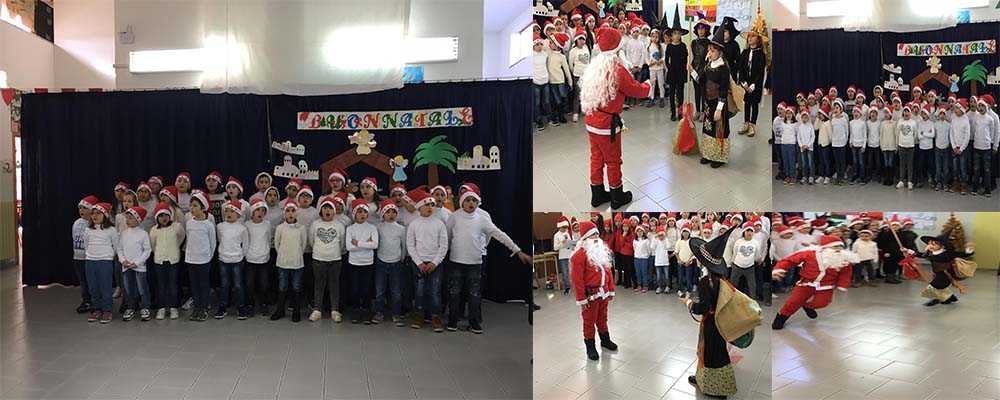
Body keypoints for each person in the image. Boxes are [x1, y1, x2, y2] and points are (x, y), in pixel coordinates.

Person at [580, 26, 651, 208]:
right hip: (606, 126)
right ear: (617, 48)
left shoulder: (595, 66)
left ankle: (597, 195)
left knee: (596, 158)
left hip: (591, 121)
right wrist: (648, 85)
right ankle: (617, 196)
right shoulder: (617, 69)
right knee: (613, 160)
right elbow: (635, 90)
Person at [445, 183, 530, 333]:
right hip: (456, 262)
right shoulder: (454, 217)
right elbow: (447, 237)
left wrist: (518, 251)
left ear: (478, 202)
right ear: (461, 201)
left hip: (475, 263)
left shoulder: (482, 219)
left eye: (474, 200)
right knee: (454, 293)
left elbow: (499, 235)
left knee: (474, 294)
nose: (471, 203)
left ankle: (474, 322)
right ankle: (453, 321)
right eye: (467, 200)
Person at [683, 226, 738, 398]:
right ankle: (715, 383)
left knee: (710, 352)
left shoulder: (705, 282)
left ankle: (715, 388)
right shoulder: (721, 279)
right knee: (718, 350)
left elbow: (704, 307)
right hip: (722, 322)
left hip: (712, 323)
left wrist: (690, 303)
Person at [771, 235, 858, 330]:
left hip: (826, 285)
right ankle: (781, 318)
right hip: (807, 282)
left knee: (823, 303)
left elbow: (846, 273)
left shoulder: (843, 259)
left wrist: (842, 285)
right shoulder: (810, 253)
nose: (838, 250)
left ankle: (807, 305)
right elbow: (789, 260)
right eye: (835, 247)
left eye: (840, 247)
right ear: (825, 247)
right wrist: (779, 269)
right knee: (794, 302)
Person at [570, 220, 618, 361]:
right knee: (589, 321)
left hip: (603, 293)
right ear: (585, 237)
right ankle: (590, 347)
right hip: (590, 295)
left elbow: (608, 271)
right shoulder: (579, 255)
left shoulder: (602, 251)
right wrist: (582, 299)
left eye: (597, 234)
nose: (596, 237)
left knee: (603, 318)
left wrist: (610, 290)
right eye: (592, 235)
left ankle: (605, 340)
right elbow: (577, 280)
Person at [690, 23, 733, 168]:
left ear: (719, 52)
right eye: (709, 50)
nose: (710, 53)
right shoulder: (709, 65)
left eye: (713, 51)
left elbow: (724, 89)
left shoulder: (723, 67)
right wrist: (692, 71)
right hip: (708, 102)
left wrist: (720, 109)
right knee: (708, 127)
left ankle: (718, 157)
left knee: (718, 128)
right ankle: (708, 154)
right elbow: (701, 80)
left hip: (718, 103)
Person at [405, 189, 448, 331]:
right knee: (419, 291)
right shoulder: (414, 224)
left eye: (432, 204)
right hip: (418, 264)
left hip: (435, 264)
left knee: (435, 291)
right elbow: (410, 245)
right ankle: (419, 315)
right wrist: (418, 262)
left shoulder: (439, 224)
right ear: (419, 207)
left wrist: (435, 262)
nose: (430, 207)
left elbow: (443, 245)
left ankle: (435, 317)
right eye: (426, 204)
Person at [272, 199, 307, 322]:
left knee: (296, 287)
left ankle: (296, 311)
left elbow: (303, 245)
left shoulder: (301, 228)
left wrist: (296, 254)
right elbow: (277, 244)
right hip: (283, 262)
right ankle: (280, 310)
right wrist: (283, 254)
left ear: (296, 213)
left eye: (293, 211)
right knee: (282, 286)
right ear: (284, 213)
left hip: (297, 263)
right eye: (288, 211)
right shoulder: (280, 228)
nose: (290, 213)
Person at [917, 230, 974, 306]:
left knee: (934, 286)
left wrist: (968, 252)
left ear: (942, 246)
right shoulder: (931, 253)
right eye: (930, 244)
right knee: (940, 287)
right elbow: (921, 255)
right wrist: (909, 251)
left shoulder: (947, 253)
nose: (930, 246)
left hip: (946, 275)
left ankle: (935, 299)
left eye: (933, 244)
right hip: (937, 274)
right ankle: (950, 298)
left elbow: (961, 254)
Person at [84, 202, 119, 324]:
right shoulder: (88, 230)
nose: (95, 216)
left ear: (105, 215)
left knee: (105, 287)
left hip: (105, 261)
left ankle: (107, 310)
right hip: (90, 261)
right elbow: (86, 244)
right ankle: (96, 309)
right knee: (93, 287)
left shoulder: (111, 230)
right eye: (93, 213)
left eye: (98, 213)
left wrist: (108, 256)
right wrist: (90, 255)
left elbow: (116, 246)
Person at [374, 199, 406, 326]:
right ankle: (379, 312)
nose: (391, 214)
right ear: (383, 214)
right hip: (381, 262)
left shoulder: (401, 229)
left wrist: (401, 258)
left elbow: (404, 246)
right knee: (379, 290)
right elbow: (376, 244)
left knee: (396, 291)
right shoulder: (378, 227)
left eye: (393, 212)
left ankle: (396, 314)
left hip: (396, 263)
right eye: (388, 212)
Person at [185, 191, 215, 322]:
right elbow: (188, 240)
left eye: (195, 206)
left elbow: (212, 243)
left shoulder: (208, 224)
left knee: (204, 284)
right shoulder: (189, 223)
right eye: (191, 206)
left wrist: (208, 257)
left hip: (203, 260)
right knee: (194, 285)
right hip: (191, 259)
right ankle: (197, 307)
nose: (192, 208)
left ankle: (204, 307)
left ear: (203, 207)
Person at [216, 200, 249, 319]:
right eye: (227, 211)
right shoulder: (220, 226)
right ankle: (222, 307)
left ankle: (241, 307)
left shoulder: (242, 228)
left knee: (238, 285)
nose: (229, 213)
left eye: (232, 211)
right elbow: (220, 240)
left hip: (237, 261)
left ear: (239, 214)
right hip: (223, 260)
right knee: (224, 285)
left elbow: (245, 245)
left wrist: (240, 256)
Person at [118, 206, 152, 322]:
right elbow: (120, 249)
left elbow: (147, 250)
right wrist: (123, 261)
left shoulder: (143, 234)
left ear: (138, 220)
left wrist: (137, 263)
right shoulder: (124, 233)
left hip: (139, 268)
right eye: (127, 218)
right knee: (128, 289)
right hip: (126, 267)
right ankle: (130, 307)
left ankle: (145, 307)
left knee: (142, 288)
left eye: (131, 218)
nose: (127, 220)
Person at [244, 199, 272, 318]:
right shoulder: (247, 224)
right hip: (250, 259)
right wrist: (246, 254)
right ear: (252, 212)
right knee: (249, 284)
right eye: (257, 210)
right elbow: (245, 242)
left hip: (263, 259)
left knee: (264, 284)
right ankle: (250, 305)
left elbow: (269, 239)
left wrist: (266, 252)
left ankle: (264, 304)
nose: (260, 212)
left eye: (262, 210)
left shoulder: (267, 224)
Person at [738, 25, 766, 137]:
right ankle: (746, 123)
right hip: (746, 83)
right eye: (749, 36)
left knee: (754, 104)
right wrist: (744, 83)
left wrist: (753, 85)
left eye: (753, 36)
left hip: (755, 84)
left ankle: (752, 125)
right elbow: (741, 69)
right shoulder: (744, 53)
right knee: (747, 103)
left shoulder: (761, 54)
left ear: (758, 39)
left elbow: (760, 72)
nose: (750, 38)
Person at [73, 195, 99, 314]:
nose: (81, 211)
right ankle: (86, 301)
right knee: (83, 281)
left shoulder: (95, 224)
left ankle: (96, 301)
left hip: (91, 258)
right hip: (78, 258)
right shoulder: (77, 223)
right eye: (80, 208)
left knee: (93, 281)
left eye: (84, 208)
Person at [664, 7, 689, 121]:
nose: (677, 35)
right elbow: (666, 59)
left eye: (679, 33)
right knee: (672, 93)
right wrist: (670, 68)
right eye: (675, 33)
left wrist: (685, 69)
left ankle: (680, 112)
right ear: (671, 35)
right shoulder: (669, 46)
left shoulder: (683, 46)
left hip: (681, 73)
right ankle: (673, 112)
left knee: (680, 94)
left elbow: (686, 58)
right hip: (672, 72)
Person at [689, 18, 712, 121]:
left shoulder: (709, 43)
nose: (701, 30)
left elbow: (709, 58)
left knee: (704, 92)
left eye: (703, 28)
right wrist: (689, 65)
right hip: (695, 69)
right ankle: (697, 111)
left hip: (705, 70)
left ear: (706, 30)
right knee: (696, 91)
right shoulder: (693, 42)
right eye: (699, 28)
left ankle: (704, 111)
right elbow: (691, 56)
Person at [731, 223, 760, 299]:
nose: (749, 233)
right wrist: (734, 263)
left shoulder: (756, 243)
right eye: (747, 231)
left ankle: (753, 301)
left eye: (751, 231)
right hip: (737, 266)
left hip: (750, 268)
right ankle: (731, 300)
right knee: (733, 284)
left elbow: (757, 255)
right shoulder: (738, 242)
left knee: (752, 286)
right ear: (744, 232)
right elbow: (735, 252)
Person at [568, 27, 590, 123]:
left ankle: (585, 109)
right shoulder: (573, 51)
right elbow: (570, 64)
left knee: (586, 93)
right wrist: (575, 72)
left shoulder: (586, 48)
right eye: (580, 39)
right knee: (577, 94)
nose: (582, 41)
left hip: (586, 75)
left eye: (583, 39)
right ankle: (575, 113)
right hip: (577, 75)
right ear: (576, 40)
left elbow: (588, 61)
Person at [896, 104, 918, 189]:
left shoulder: (913, 122)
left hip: (910, 146)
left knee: (910, 164)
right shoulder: (900, 121)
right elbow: (897, 133)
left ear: (910, 113)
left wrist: (911, 141)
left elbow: (915, 134)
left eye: (907, 111)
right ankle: (901, 180)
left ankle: (909, 181)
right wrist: (898, 144)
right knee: (902, 164)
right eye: (904, 111)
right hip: (901, 145)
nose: (906, 113)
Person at [645, 28, 666, 108]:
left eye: (656, 37)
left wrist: (661, 60)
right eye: (653, 36)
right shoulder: (648, 47)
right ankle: (651, 98)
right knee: (652, 84)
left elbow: (664, 56)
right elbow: (646, 57)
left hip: (659, 68)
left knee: (661, 83)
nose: (655, 38)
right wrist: (649, 63)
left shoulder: (661, 46)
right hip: (652, 68)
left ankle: (662, 98)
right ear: (650, 37)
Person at [916, 105, 936, 188]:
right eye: (922, 113)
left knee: (930, 164)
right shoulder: (919, 123)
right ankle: (920, 180)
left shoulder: (931, 123)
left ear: (928, 115)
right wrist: (927, 133)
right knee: (920, 164)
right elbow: (918, 136)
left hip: (929, 147)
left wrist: (923, 133)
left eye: (925, 114)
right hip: (921, 147)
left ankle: (931, 180)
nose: (923, 115)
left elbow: (933, 135)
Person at [553, 216, 574, 294]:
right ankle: (567, 287)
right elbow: (555, 248)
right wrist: (562, 243)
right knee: (565, 273)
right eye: (564, 227)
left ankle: (574, 286)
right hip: (562, 257)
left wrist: (570, 243)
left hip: (570, 255)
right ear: (560, 227)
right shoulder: (556, 235)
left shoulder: (567, 233)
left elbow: (570, 244)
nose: (565, 229)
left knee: (572, 272)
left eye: (566, 227)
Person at [933, 107, 952, 191]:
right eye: (940, 114)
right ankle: (938, 183)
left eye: (943, 114)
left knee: (945, 168)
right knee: (938, 167)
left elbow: (950, 136)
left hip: (946, 148)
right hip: (937, 148)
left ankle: (945, 183)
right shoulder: (935, 124)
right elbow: (934, 135)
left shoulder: (948, 125)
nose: (942, 115)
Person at [849, 106, 868, 184]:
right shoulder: (851, 122)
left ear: (860, 114)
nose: (856, 114)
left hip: (860, 145)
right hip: (854, 145)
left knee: (861, 162)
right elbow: (851, 133)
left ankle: (862, 177)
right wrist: (850, 141)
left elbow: (865, 135)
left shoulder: (863, 123)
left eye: (857, 112)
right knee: (855, 161)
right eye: (854, 112)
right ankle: (855, 175)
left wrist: (864, 146)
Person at [797, 108, 816, 185]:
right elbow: (798, 137)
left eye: (806, 117)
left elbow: (813, 136)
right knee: (804, 163)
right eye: (803, 117)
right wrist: (801, 145)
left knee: (810, 162)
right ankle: (805, 176)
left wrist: (808, 145)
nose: (804, 119)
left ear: (808, 118)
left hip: (809, 148)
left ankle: (811, 176)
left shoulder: (810, 126)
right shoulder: (800, 126)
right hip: (802, 148)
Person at [880, 107, 898, 186]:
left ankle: (891, 178)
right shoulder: (882, 123)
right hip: (884, 145)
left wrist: (896, 146)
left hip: (892, 146)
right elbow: (881, 135)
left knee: (890, 162)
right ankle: (886, 177)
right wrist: (881, 145)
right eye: (885, 113)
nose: (886, 115)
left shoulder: (894, 123)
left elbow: (896, 135)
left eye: (887, 113)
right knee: (886, 162)